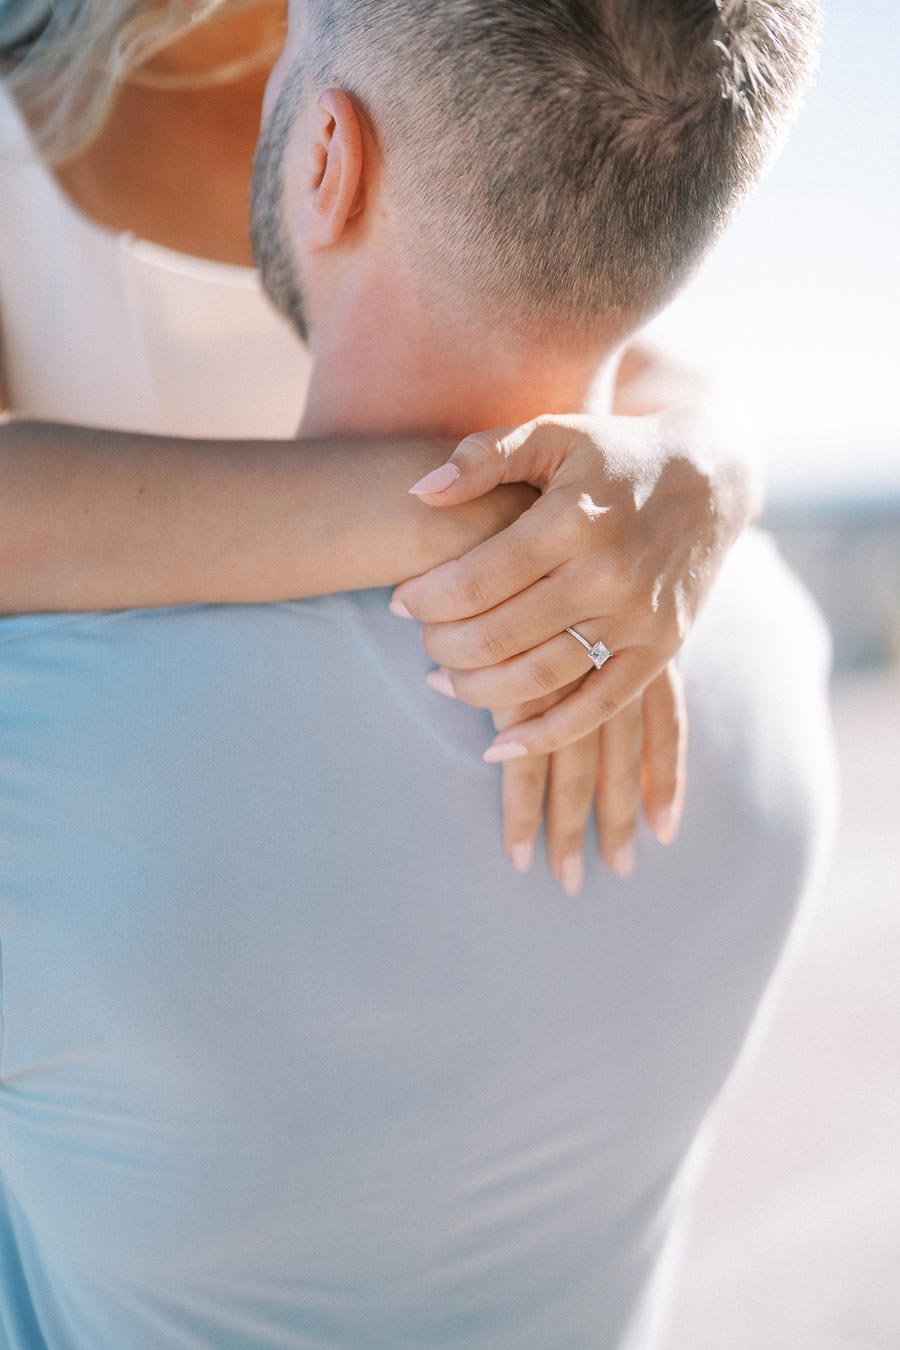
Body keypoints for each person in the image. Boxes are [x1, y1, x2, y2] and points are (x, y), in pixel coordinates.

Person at [0, 3, 837, 1350]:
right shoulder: (781, 667)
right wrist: (498, 503)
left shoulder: (38, 773)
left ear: (322, 154)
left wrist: (698, 459)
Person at [0, 0, 767, 886]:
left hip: (399, 812)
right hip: (117, 813)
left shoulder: (446, 27)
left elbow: (600, 327)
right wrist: (464, 516)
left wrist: (709, 468)